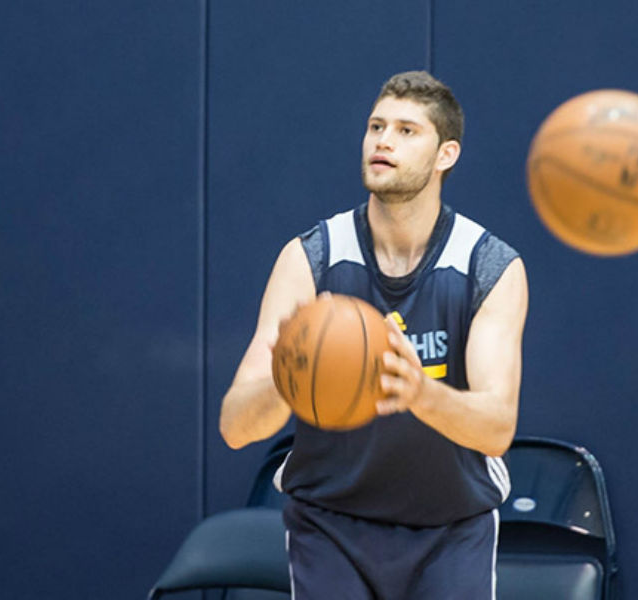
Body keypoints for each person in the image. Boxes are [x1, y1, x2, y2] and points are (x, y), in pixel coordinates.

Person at [219, 71, 528, 599]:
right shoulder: (311, 258)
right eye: (376, 126)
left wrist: (418, 391)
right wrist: (293, 377)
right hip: (330, 523)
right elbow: (235, 425)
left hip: (451, 528)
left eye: (407, 131)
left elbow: (497, 428)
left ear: (445, 155)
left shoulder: (488, 266)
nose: (383, 140)